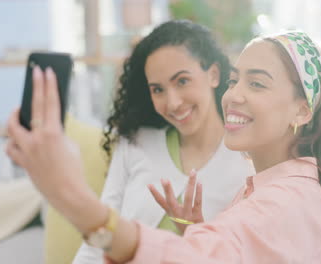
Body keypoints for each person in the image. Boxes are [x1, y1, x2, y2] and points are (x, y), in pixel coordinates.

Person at [6, 30, 321, 263]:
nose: (234, 95)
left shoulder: (284, 201)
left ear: (302, 109)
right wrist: (198, 231)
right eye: (235, 80)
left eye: (257, 84)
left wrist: (68, 195)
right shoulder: (283, 185)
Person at [81, 20, 255, 263]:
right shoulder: (136, 142)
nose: (172, 103)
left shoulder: (248, 162)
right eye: (158, 89)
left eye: (182, 81)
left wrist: (199, 237)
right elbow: (98, 233)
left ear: (213, 74)